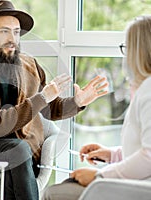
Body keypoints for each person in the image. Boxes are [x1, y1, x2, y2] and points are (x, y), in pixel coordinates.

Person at [0, 1, 108, 200]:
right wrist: (42, 97)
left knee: (16, 163)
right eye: (4, 32)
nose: (12, 39)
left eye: (16, 32)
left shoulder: (30, 65)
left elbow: (51, 108)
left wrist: (77, 101)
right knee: (18, 149)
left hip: (25, 153)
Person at [42, 15, 151, 200]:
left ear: (140, 51)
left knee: (53, 194)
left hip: (140, 189)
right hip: (137, 183)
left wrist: (99, 176)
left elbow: (149, 158)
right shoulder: (144, 88)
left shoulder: (149, 90)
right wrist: (112, 154)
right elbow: (143, 148)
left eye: (127, 48)